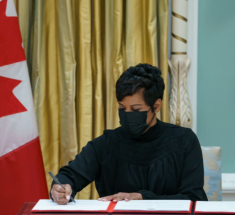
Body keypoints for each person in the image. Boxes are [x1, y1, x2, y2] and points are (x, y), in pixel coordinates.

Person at [50, 63, 208, 204]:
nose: (127, 114)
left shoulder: (184, 141)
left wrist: (142, 197)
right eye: (122, 108)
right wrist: (61, 187)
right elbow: (70, 175)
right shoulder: (107, 144)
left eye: (135, 110)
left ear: (156, 105)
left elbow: (194, 199)